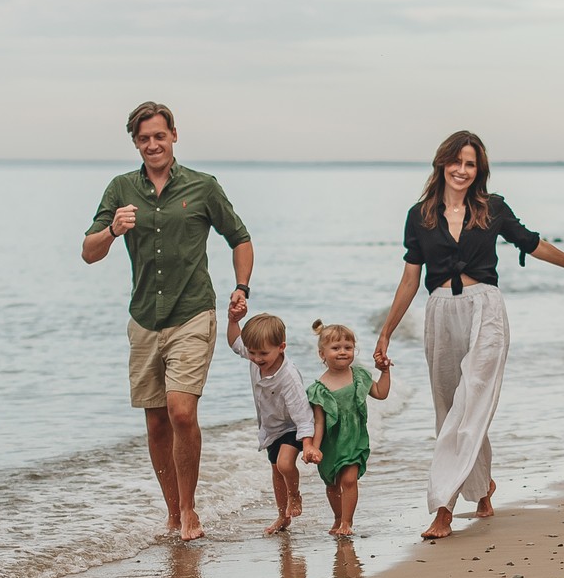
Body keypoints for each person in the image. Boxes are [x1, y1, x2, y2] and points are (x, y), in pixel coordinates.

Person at [372, 130, 564, 541]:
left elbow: (534, 245)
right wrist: (386, 334)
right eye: (456, 162)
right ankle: (483, 488)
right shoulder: (420, 215)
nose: (462, 171)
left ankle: (443, 507)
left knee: (472, 402)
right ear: (442, 164)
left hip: (484, 309)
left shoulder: (493, 208)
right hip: (440, 312)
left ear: (478, 169)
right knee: (453, 407)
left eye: (470, 164)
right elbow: (410, 279)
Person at [82, 101, 254, 541]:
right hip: (144, 319)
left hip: (193, 311)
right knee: (156, 421)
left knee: (181, 412)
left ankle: (191, 508)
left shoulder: (203, 187)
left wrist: (242, 287)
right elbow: (88, 251)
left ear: (174, 135)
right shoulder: (120, 189)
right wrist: (113, 230)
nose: (152, 144)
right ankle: (173, 511)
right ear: (136, 143)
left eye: (160, 136)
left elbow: (240, 238)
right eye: (144, 139)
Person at [302, 319, 391, 538]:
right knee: (332, 484)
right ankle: (337, 517)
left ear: (354, 350)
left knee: (349, 480)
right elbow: (319, 422)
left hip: (355, 438)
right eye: (336, 348)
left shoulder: (360, 376)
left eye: (348, 347)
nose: (342, 352)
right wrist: (314, 447)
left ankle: (347, 522)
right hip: (330, 443)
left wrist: (385, 372)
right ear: (322, 354)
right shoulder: (318, 389)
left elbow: (380, 393)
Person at [226, 310, 313, 535]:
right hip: (271, 428)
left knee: (285, 464)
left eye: (262, 353)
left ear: (281, 347)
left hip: (292, 425)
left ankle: (294, 496)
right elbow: (235, 343)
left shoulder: (288, 377)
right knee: (276, 470)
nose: (256, 358)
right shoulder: (257, 353)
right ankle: (282, 516)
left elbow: (303, 413)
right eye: (252, 353)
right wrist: (233, 320)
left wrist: (308, 444)